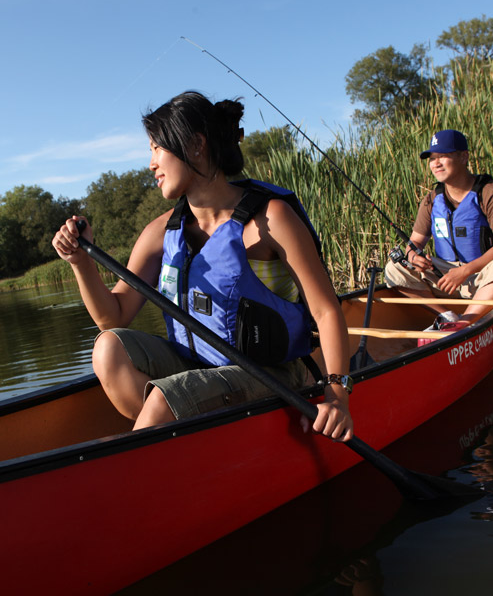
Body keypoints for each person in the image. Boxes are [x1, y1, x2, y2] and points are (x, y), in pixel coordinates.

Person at [52, 90, 353, 440]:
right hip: (193, 363)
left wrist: (337, 395)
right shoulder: (160, 232)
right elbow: (113, 318)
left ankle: (153, 448)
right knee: (108, 349)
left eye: (157, 148)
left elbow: (327, 311)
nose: (151, 164)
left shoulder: (271, 220)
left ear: (196, 144)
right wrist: (80, 261)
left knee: (165, 399)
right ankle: (183, 442)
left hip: (270, 374)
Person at [385, 129, 493, 333]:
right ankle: (446, 316)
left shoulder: (491, 192)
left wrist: (465, 271)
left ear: (463, 157)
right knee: (394, 269)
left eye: (443, 156)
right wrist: (413, 256)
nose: (436, 163)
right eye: (432, 158)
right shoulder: (432, 199)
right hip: (445, 277)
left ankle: (465, 321)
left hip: (482, 275)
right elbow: (414, 242)